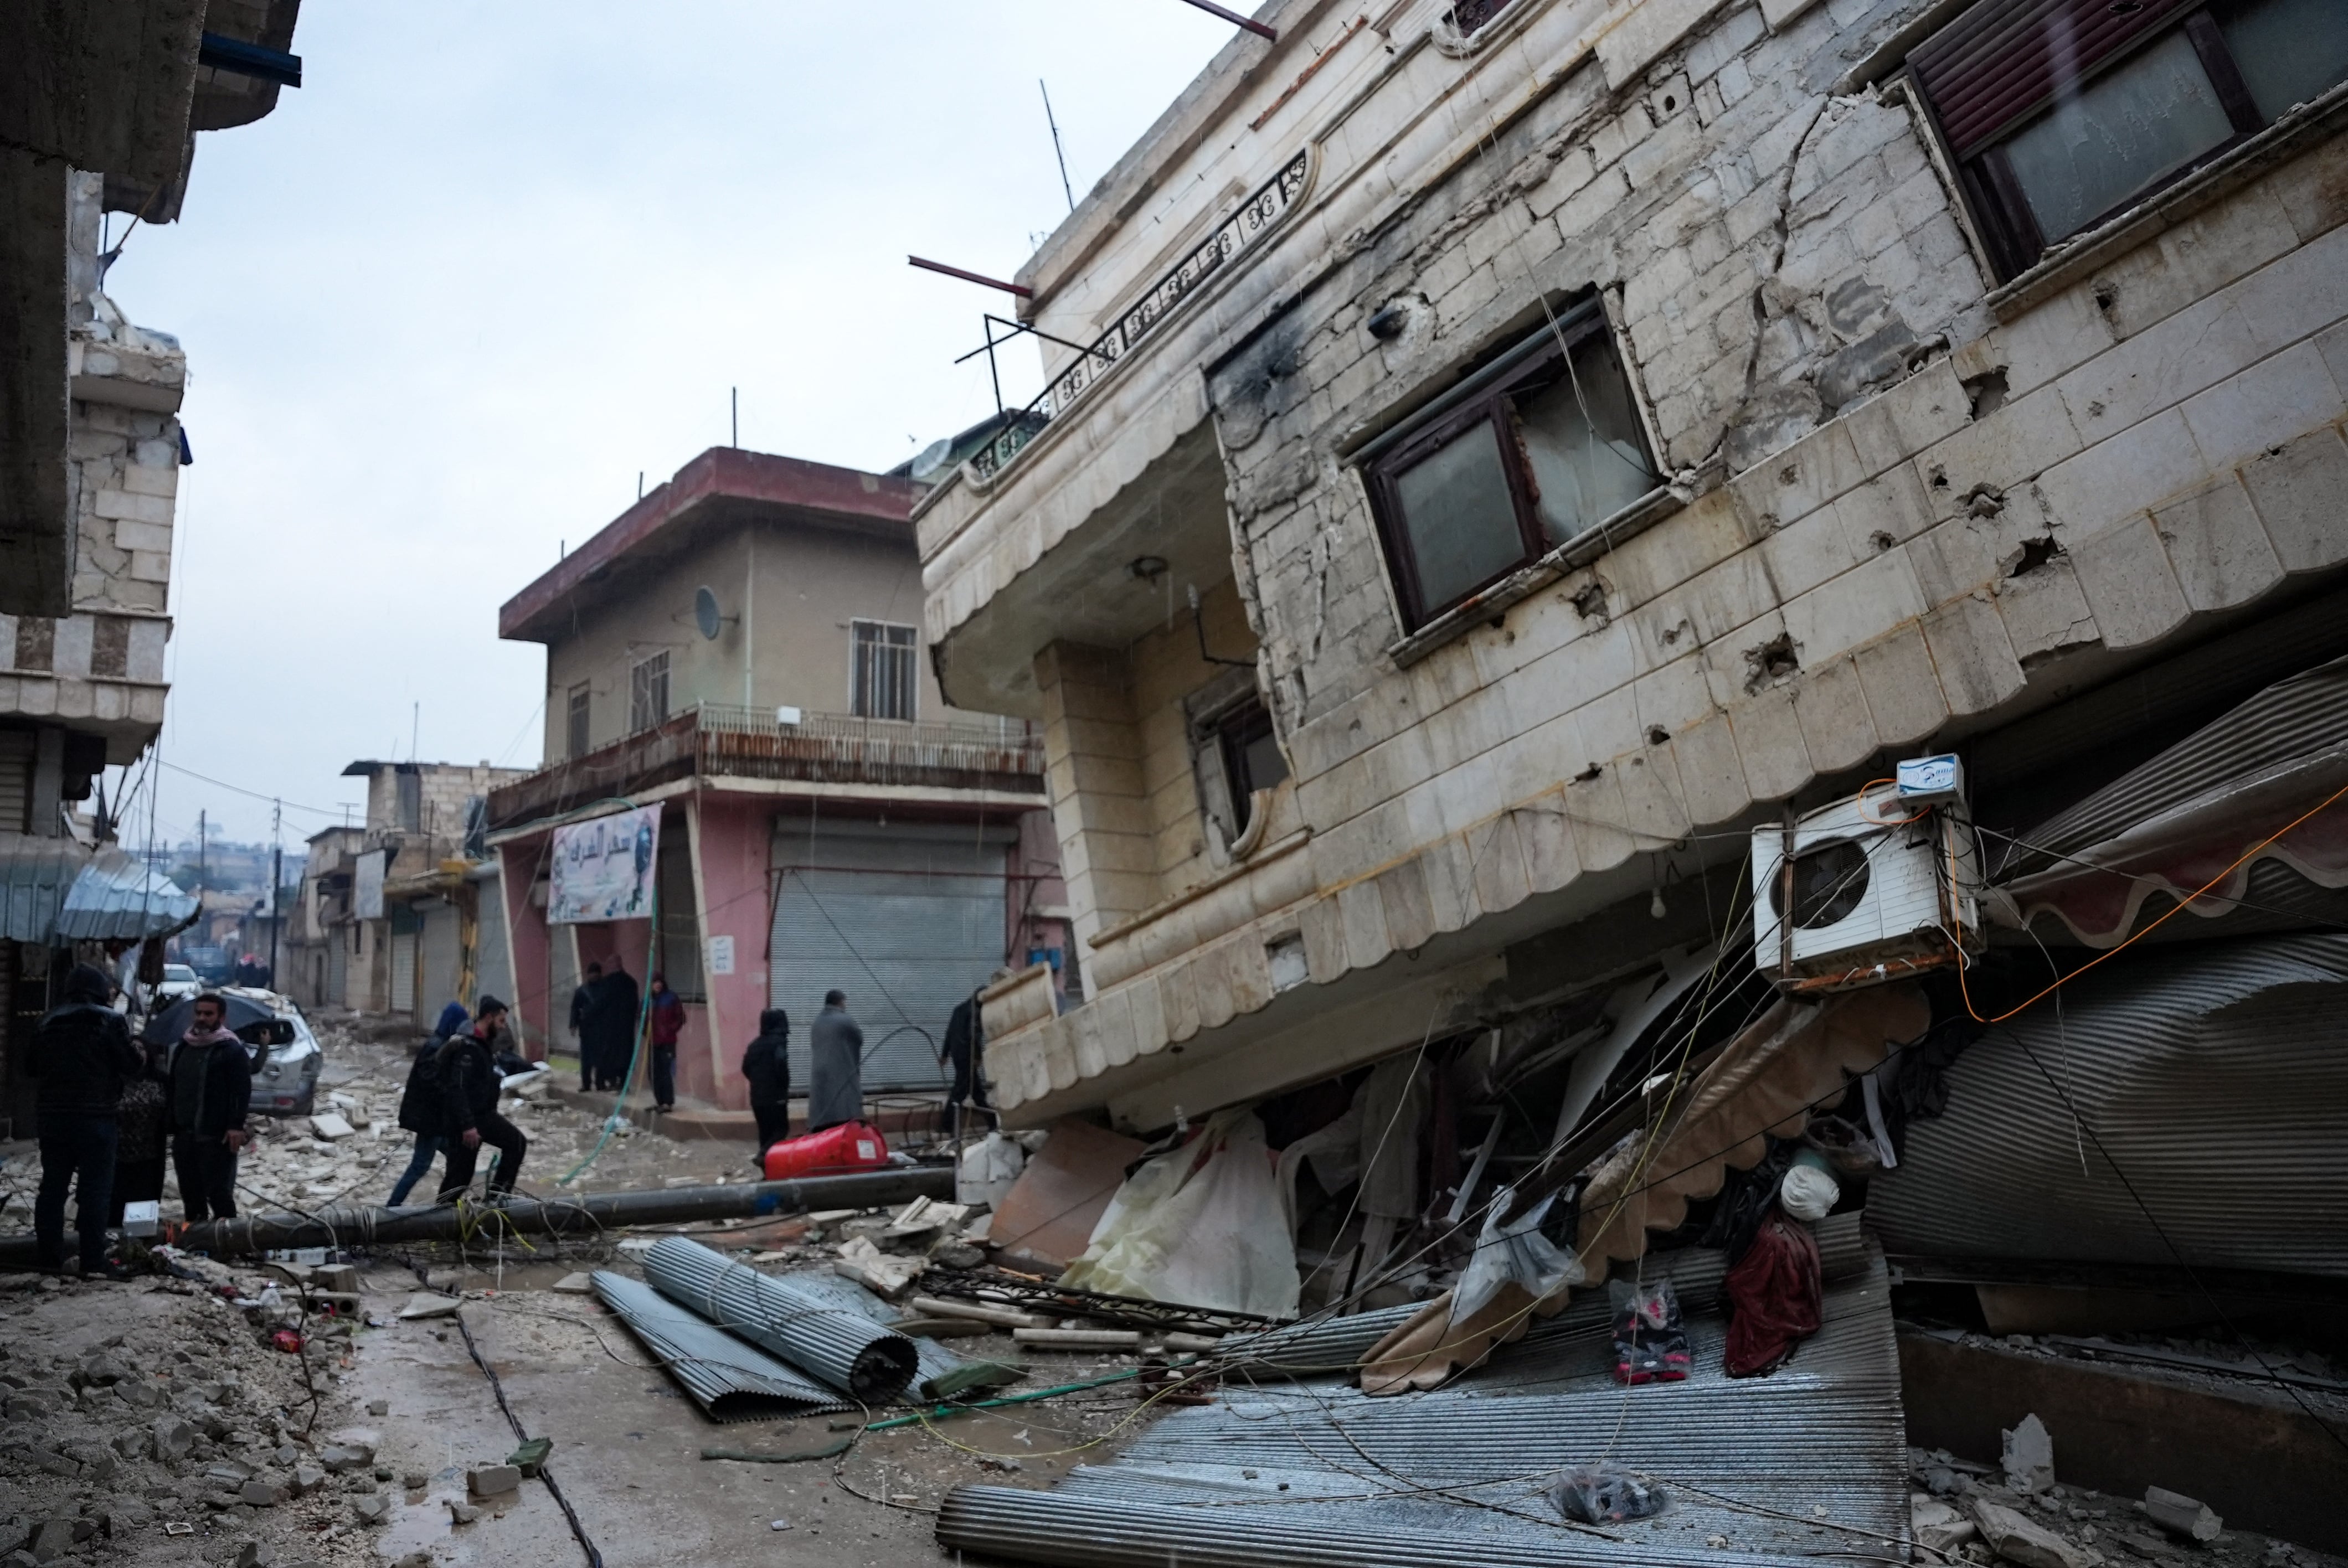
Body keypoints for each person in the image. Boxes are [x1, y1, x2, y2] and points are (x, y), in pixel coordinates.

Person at [28, 962, 142, 1275]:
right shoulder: (111, 1020)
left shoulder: (46, 1021)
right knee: (94, 1190)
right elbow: (132, 1066)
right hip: (97, 1118)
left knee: (52, 1188)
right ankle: (93, 1260)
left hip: (52, 1118)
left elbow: (29, 1067)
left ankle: (48, 1260)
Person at [168, 993, 254, 1224]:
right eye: (199, 1013)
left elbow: (241, 1091)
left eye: (208, 1014)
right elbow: (173, 1085)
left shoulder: (231, 1050)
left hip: (216, 1137)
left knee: (219, 1195)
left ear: (221, 1017)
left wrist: (235, 1126)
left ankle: (227, 1245)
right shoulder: (184, 1046)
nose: (202, 1018)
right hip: (185, 1135)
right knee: (190, 1195)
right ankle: (198, 1246)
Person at [436, 997, 527, 1201]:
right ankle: (438, 1220)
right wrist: (468, 1126)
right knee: (459, 1178)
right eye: (501, 1021)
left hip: (484, 1116)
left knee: (517, 1143)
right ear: (488, 1018)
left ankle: (495, 1201)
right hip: (467, 1121)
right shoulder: (468, 1047)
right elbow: (457, 1089)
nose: (504, 1027)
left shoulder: (483, 1044)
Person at [387, 1003, 466, 1205]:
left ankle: (450, 1199)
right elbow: (431, 1082)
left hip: (436, 1118)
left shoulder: (441, 1044)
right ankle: (392, 1208)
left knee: (457, 1155)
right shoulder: (435, 1046)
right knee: (420, 1166)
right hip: (429, 1120)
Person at [109, 1038, 171, 1228]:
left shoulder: (160, 1080)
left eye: (141, 1048)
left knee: (141, 1212)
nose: (137, 1052)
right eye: (132, 1048)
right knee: (114, 1210)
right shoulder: (113, 1081)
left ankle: (139, 1249)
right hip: (116, 1157)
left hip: (148, 1157)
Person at [942, 969, 1007, 1137]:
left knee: (976, 1092)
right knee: (960, 1092)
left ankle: (993, 1123)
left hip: (958, 1055)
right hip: (967, 1057)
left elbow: (949, 1033)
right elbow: (974, 1036)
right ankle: (946, 1126)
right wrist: (977, 1056)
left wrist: (944, 1055)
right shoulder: (977, 1012)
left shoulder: (959, 1009)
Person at [806, 990, 863, 1133]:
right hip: (841, 1072)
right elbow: (859, 1039)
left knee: (823, 1108)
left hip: (820, 1074)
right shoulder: (845, 1020)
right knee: (843, 1105)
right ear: (841, 1002)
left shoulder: (817, 1021)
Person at [741, 1007, 791, 1160]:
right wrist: (784, 1085)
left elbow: (745, 1068)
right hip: (775, 1096)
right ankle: (763, 1155)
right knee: (781, 1129)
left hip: (757, 1097)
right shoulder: (779, 1042)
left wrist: (757, 1082)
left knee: (765, 1132)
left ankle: (767, 1171)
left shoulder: (754, 1045)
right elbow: (781, 1064)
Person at [589, 958, 640, 1092]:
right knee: (625, 1056)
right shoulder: (631, 982)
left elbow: (599, 1004)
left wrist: (588, 1016)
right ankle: (623, 1083)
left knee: (606, 1055)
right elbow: (634, 1005)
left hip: (609, 1027)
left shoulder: (606, 983)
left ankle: (604, 1083)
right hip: (626, 1027)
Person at [646, 973, 683, 1112]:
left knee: (666, 1072)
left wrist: (669, 1030)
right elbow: (641, 1017)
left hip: (667, 1041)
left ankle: (668, 1103)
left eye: (659, 982)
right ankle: (660, 1101)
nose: (657, 985)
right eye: (655, 982)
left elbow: (680, 1018)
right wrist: (646, 1032)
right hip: (653, 1041)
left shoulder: (671, 998)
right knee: (653, 1072)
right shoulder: (648, 1000)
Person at [568, 962, 602, 1091]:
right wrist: (573, 1025)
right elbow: (575, 1009)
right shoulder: (582, 990)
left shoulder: (604, 988)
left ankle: (600, 1083)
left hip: (601, 1029)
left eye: (596, 973)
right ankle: (586, 1084)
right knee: (586, 1059)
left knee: (600, 1059)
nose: (594, 976)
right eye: (592, 973)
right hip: (586, 1029)